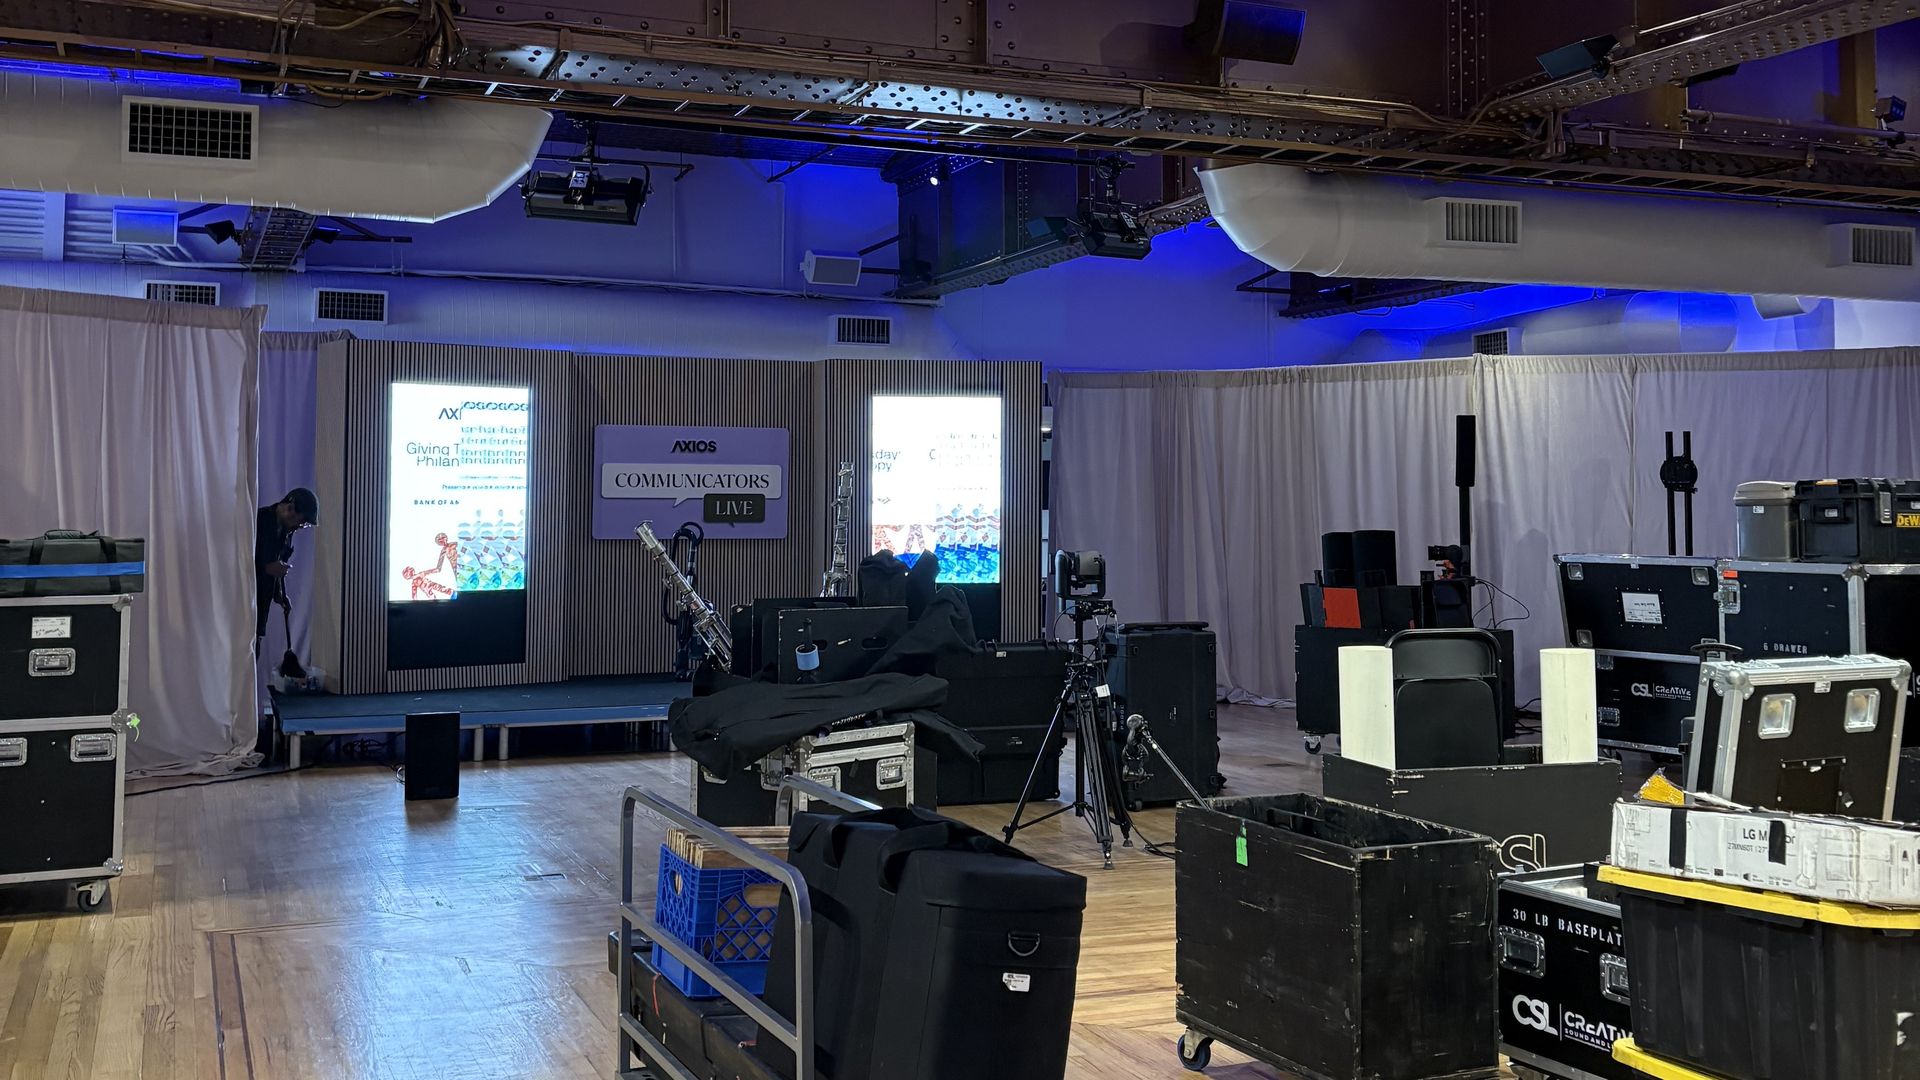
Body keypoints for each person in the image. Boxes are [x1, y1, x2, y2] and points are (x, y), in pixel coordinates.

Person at [256, 488, 318, 638]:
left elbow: (276, 564)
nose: (299, 527)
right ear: (290, 508)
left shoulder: (286, 533)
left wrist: (280, 595)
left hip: (260, 608)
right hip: (243, 603)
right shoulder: (260, 520)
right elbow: (242, 559)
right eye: (301, 523)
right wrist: (267, 568)